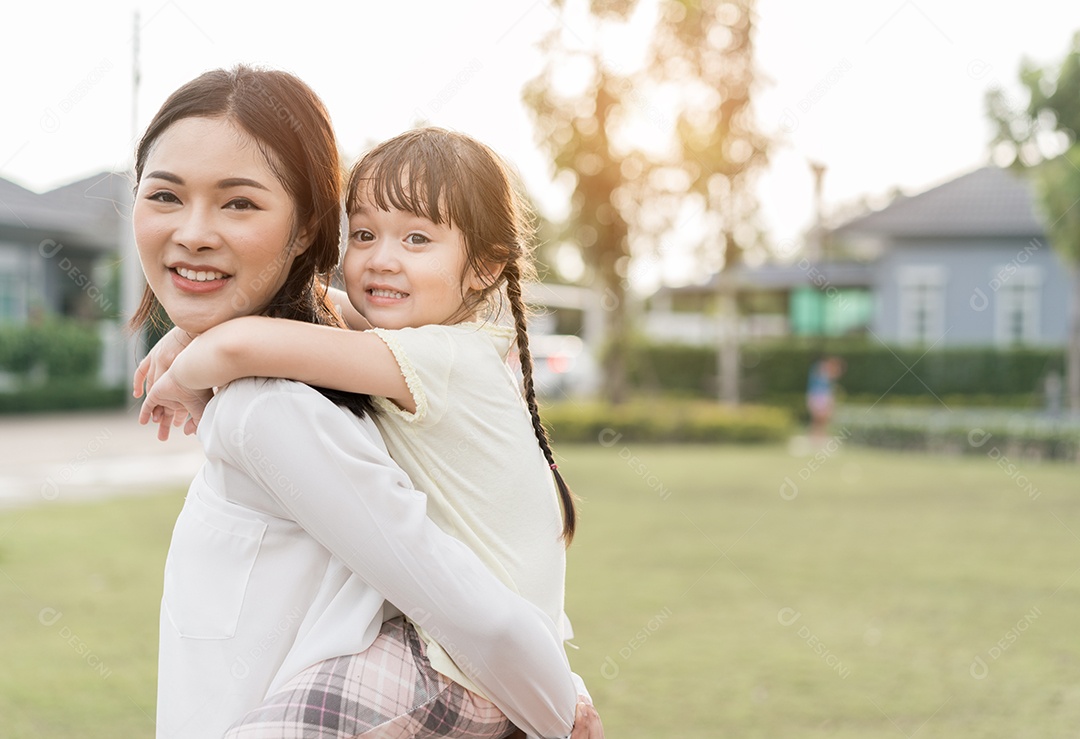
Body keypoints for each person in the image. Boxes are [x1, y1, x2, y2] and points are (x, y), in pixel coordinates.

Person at [130, 66, 600, 739]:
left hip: (454, 669)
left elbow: (454, 593)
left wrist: (561, 707)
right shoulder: (369, 358)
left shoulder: (274, 407)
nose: (195, 231)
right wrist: (189, 334)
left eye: (239, 203)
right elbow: (326, 312)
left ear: (305, 229)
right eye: (165, 195)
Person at [806, 354, 843, 445]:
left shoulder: (822, 371)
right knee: (819, 418)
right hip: (818, 396)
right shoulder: (821, 370)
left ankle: (818, 438)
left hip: (821, 396)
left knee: (823, 419)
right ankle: (816, 438)